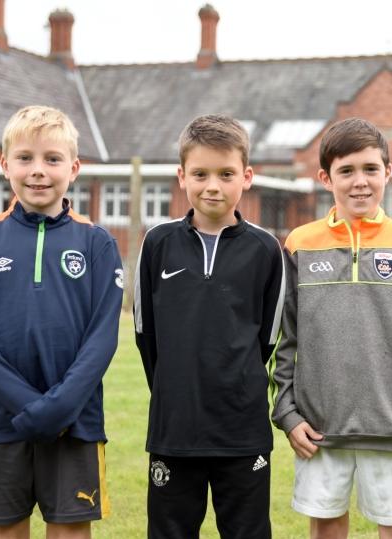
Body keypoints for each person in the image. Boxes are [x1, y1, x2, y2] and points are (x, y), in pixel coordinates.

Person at [271, 117, 392, 539]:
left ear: (388, 172)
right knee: (327, 528)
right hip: (319, 429)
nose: (360, 182)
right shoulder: (299, 244)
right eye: (346, 171)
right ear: (325, 178)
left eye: (370, 169)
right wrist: (288, 414)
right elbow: (285, 341)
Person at [0, 105, 123, 539]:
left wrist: (59, 409)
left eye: (52, 158)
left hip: (76, 422)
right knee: (4, 529)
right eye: (25, 158)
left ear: (74, 168)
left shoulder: (97, 244)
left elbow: (102, 340)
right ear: (5, 164)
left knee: (69, 530)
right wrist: (31, 407)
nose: (38, 170)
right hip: (2, 421)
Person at [134, 114, 285, 539]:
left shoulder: (265, 249)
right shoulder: (158, 243)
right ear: (182, 176)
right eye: (200, 174)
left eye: (226, 174)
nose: (212, 186)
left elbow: (267, 339)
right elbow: (146, 335)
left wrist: (233, 380)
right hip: (174, 427)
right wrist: (175, 388)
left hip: (242, 429)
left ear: (247, 177)